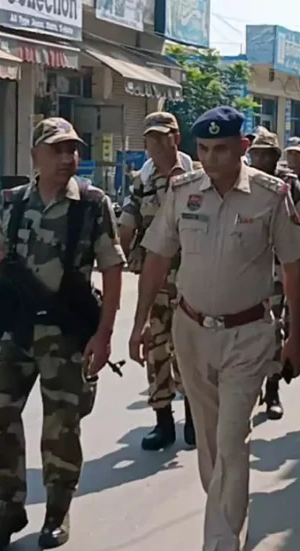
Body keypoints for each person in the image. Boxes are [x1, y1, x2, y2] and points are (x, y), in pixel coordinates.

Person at [129, 106, 300, 551]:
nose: (210, 159)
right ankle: (225, 514)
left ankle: (222, 547)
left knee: (231, 439)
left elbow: (293, 267)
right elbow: (155, 256)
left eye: (221, 149)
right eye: (204, 149)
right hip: (190, 331)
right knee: (210, 445)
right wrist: (137, 322)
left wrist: (296, 337)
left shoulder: (271, 195)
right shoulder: (182, 191)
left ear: (242, 148)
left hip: (248, 334)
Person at [0, 118, 125, 551]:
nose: (67, 158)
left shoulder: (93, 204)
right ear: (35, 156)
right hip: (14, 329)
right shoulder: (16, 201)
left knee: (61, 426)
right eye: (57, 150)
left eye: (73, 150)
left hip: (66, 333)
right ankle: (5, 511)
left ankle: (56, 510)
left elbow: (113, 269)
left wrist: (104, 335)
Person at [118, 111, 195, 450]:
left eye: (162, 138)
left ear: (175, 139)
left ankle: (194, 418)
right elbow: (128, 222)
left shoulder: (197, 179)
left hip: (192, 283)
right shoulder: (143, 182)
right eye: (150, 139)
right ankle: (163, 422)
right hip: (156, 283)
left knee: (190, 354)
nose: (155, 145)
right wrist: (123, 253)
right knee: (156, 352)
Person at [247, 130, 300, 420]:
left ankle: (272, 389)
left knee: (273, 329)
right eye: (256, 153)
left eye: (266, 154)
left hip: (277, 268)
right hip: (244, 267)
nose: (260, 159)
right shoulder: (242, 180)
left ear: (275, 157)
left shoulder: (289, 185)